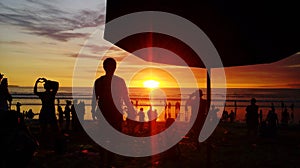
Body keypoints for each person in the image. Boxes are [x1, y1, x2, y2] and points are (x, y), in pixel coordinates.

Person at [91, 57, 137, 167]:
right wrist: (131, 111)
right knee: (108, 138)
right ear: (105, 67)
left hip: (111, 113)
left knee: (110, 138)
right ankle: (105, 161)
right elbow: (95, 98)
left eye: (113, 66)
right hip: (108, 113)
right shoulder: (103, 81)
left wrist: (131, 110)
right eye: (111, 66)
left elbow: (125, 98)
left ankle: (107, 162)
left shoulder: (102, 81)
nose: (113, 68)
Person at [34, 77, 59, 148]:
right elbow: (57, 84)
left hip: (45, 112)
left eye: (45, 84)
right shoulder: (52, 93)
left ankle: (44, 143)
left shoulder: (44, 94)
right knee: (53, 129)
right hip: (49, 112)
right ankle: (50, 143)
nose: (44, 85)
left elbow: (35, 91)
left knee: (44, 130)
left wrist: (37, 82)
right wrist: (47, 81)